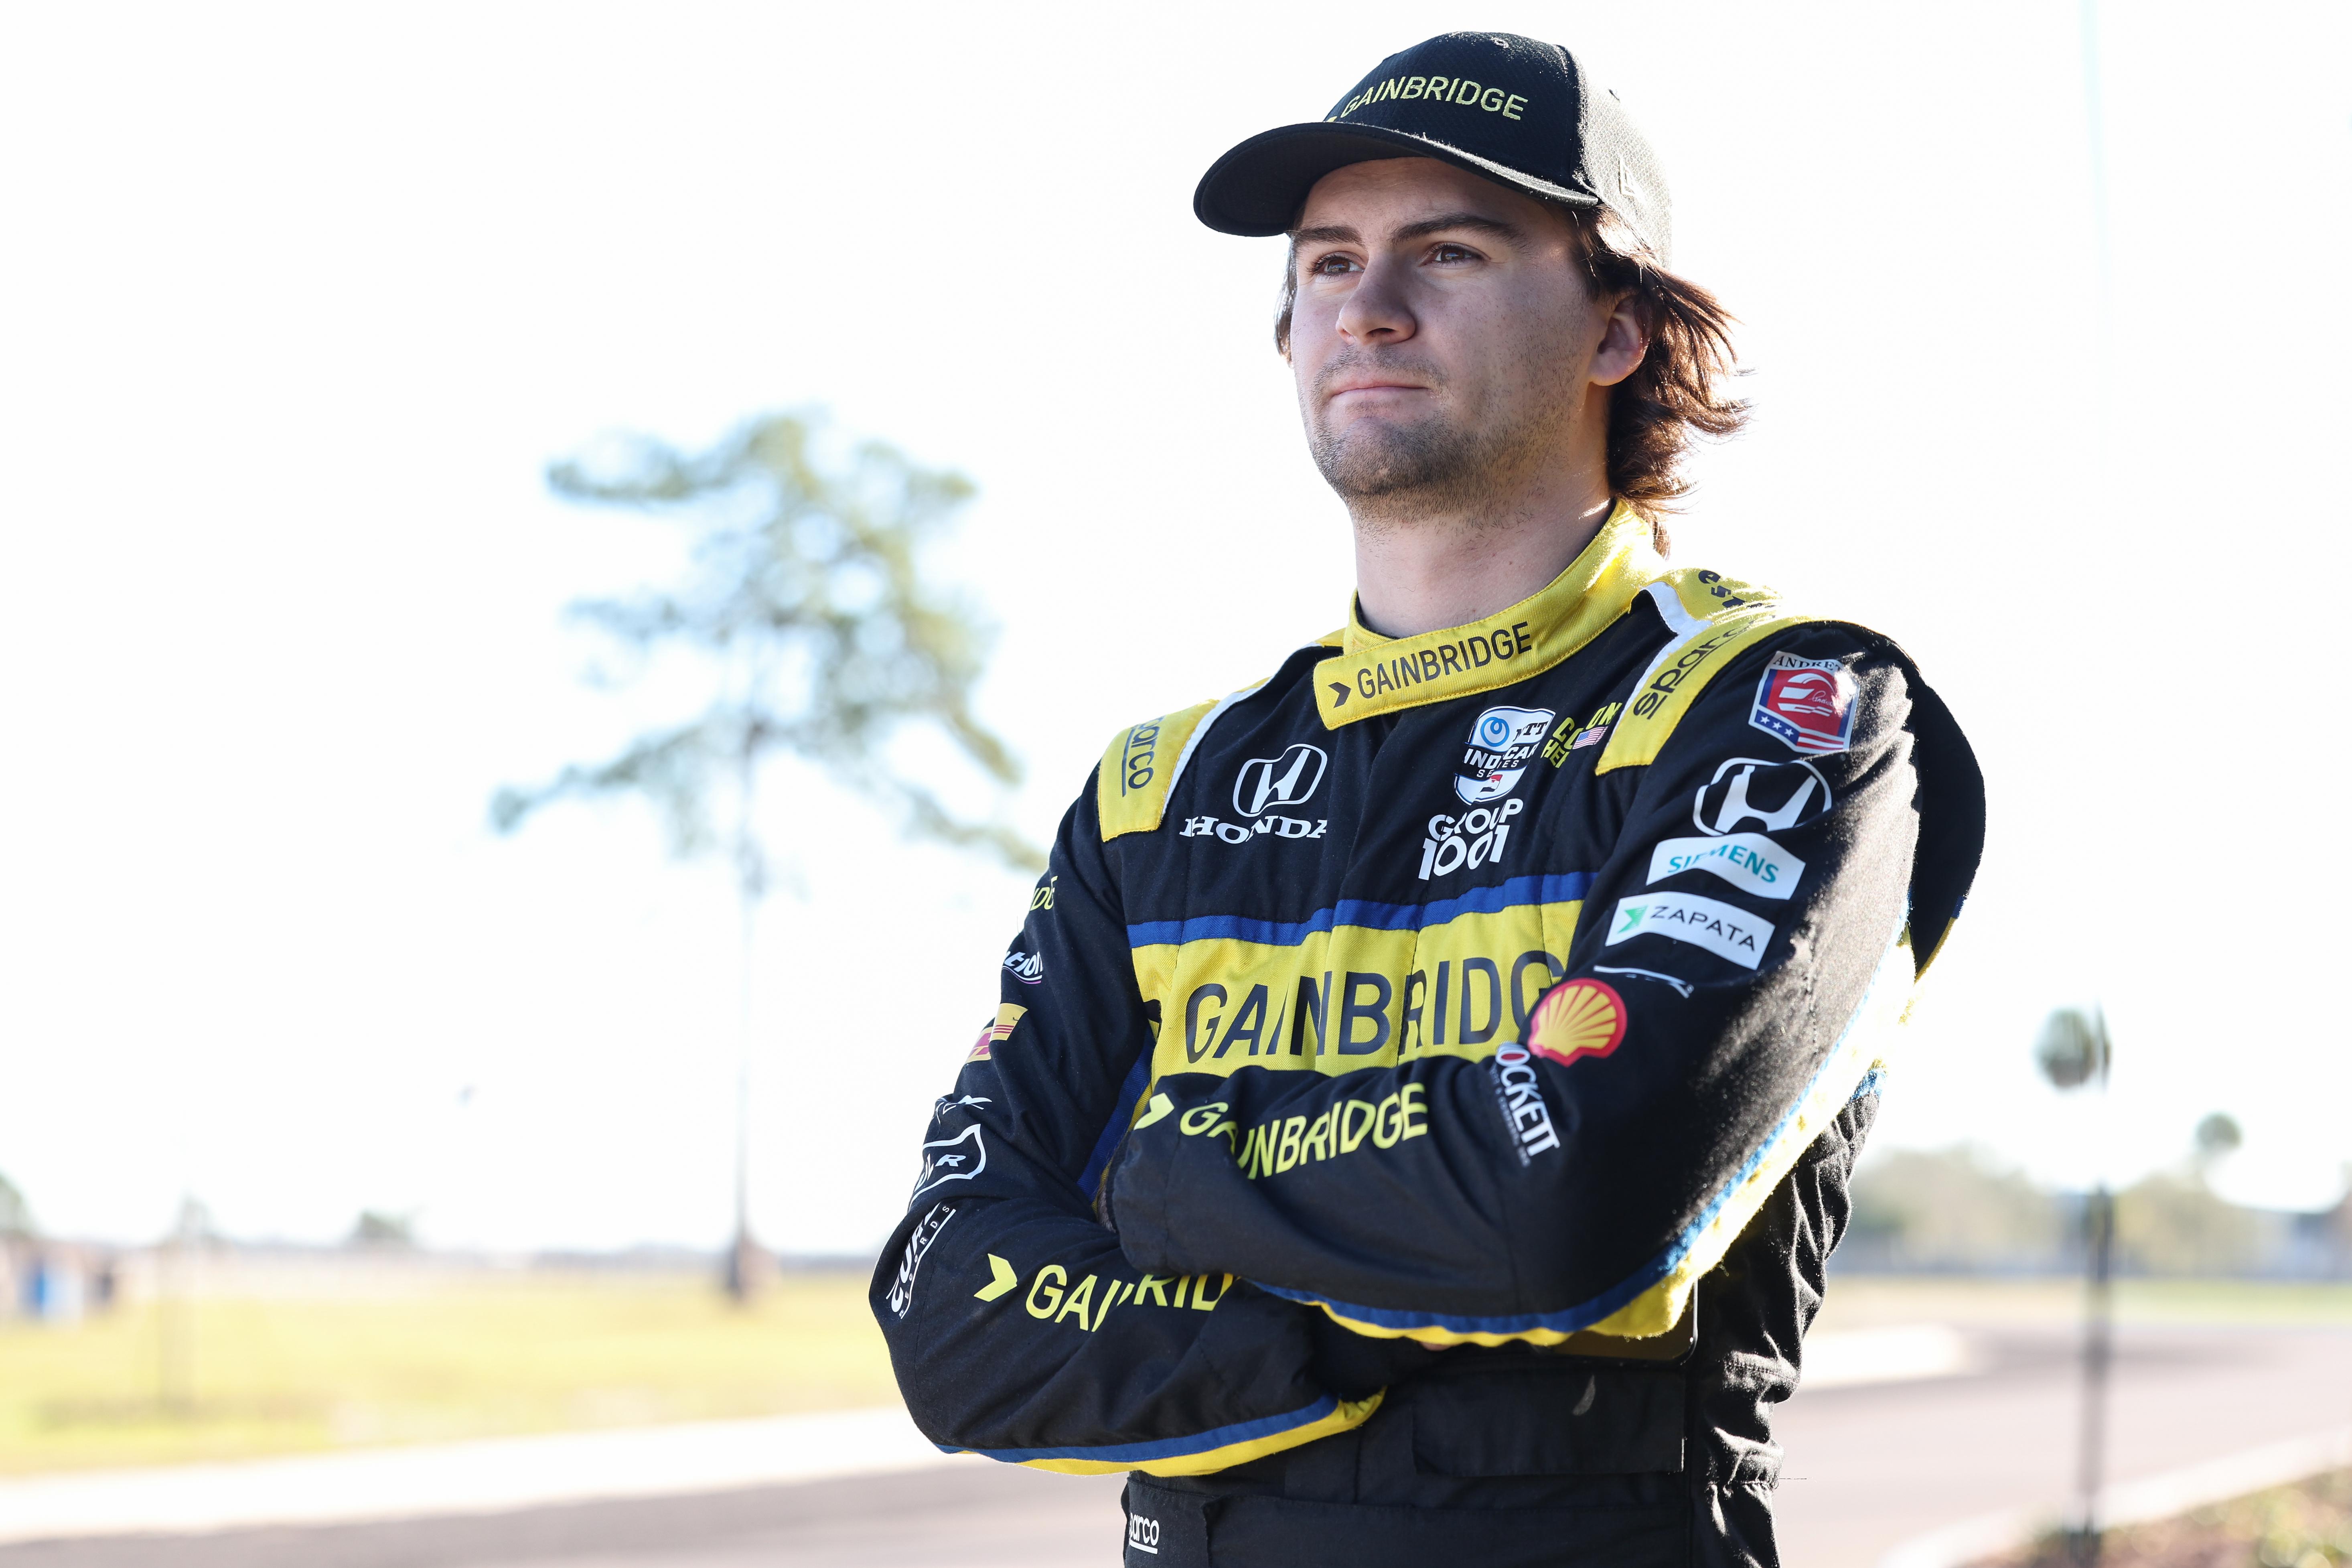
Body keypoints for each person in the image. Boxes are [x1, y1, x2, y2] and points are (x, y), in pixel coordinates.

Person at [871, 30, 1984, 1568]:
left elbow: (1571, 1205)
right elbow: (954, 1315)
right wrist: (1391, 1337)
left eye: (1450, 250)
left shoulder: (1785, 710)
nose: (1370, 307)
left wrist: (1164, 1182)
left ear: (1619, 330)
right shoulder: (1159, 785)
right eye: (1329, 263)